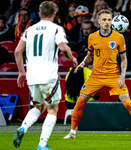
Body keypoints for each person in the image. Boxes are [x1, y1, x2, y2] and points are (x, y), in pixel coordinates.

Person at [63, 9, 131, 140]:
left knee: (128, 103)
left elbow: (124, 58)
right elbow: (90, 56)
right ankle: (72, 133)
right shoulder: (92, 37)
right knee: (79, 103)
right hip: (95, 76)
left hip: (114, 76)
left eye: (109, 19)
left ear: (112, 21)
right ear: (99, 21)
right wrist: (83, 63)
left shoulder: (119, 37)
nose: (107, 22)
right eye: (104, 19)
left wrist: (123, 76)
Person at [12, 1, 78, 150]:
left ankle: (23, 127)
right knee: (52, 110)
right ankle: (42, 144)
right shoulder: (56, 29)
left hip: (32, 76)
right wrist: (72, 58)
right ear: (54, 14)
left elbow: (17, 51)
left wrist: (22, 72)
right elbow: (63, 47)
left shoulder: (30, 30)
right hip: (48, 75)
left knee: (38, 106)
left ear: (40, 14)